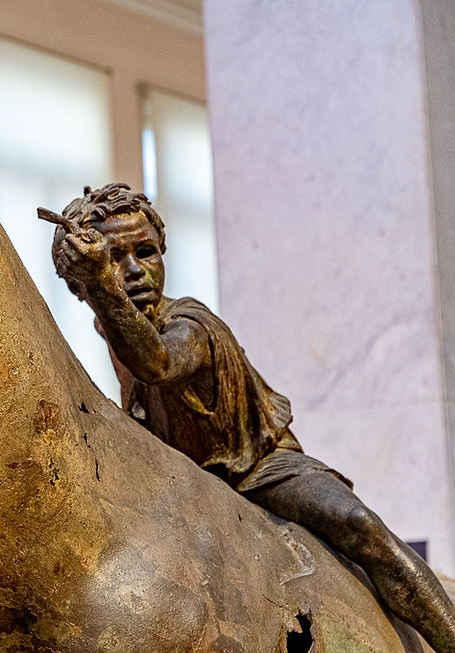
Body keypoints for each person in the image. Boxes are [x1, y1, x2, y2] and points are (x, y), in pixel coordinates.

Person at [40, 182, 455, 652]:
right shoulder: (111, 327)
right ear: (76, 284)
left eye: (146, 252)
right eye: (114, 258)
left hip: (258, 468)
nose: (135, 270)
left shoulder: (190, 325)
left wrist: (102, 283)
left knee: (361, 525)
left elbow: (157, 363)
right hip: (189, 482)